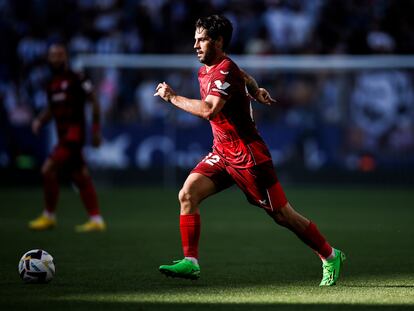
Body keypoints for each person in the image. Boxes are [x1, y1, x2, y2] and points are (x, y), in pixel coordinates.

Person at [154, 15, 345, 286]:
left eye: (202, 39)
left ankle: (329, 254)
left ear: (218, 42)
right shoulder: (209, 68)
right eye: (195, 39)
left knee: (282, 215)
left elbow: (209, 110)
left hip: (249, 157)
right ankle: (191, 262)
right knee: (187, 194)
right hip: (222, 152)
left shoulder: (224, 69)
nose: (195, 45)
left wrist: (172, 98)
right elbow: (243, 76)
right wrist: (255, 90)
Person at [29, 43, 106, 232]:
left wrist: (96, 130)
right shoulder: (51, 84)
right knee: (79, 175)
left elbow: (94, 101)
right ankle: (96, 219)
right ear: (49, 58)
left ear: (66, 57)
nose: (56, 58)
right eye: (53, 55)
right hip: (62, 135)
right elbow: (51, 109)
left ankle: (49, 216)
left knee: (48, 169)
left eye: (60, 54)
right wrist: (39, 120)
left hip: (74, 135)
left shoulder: (77, 77)